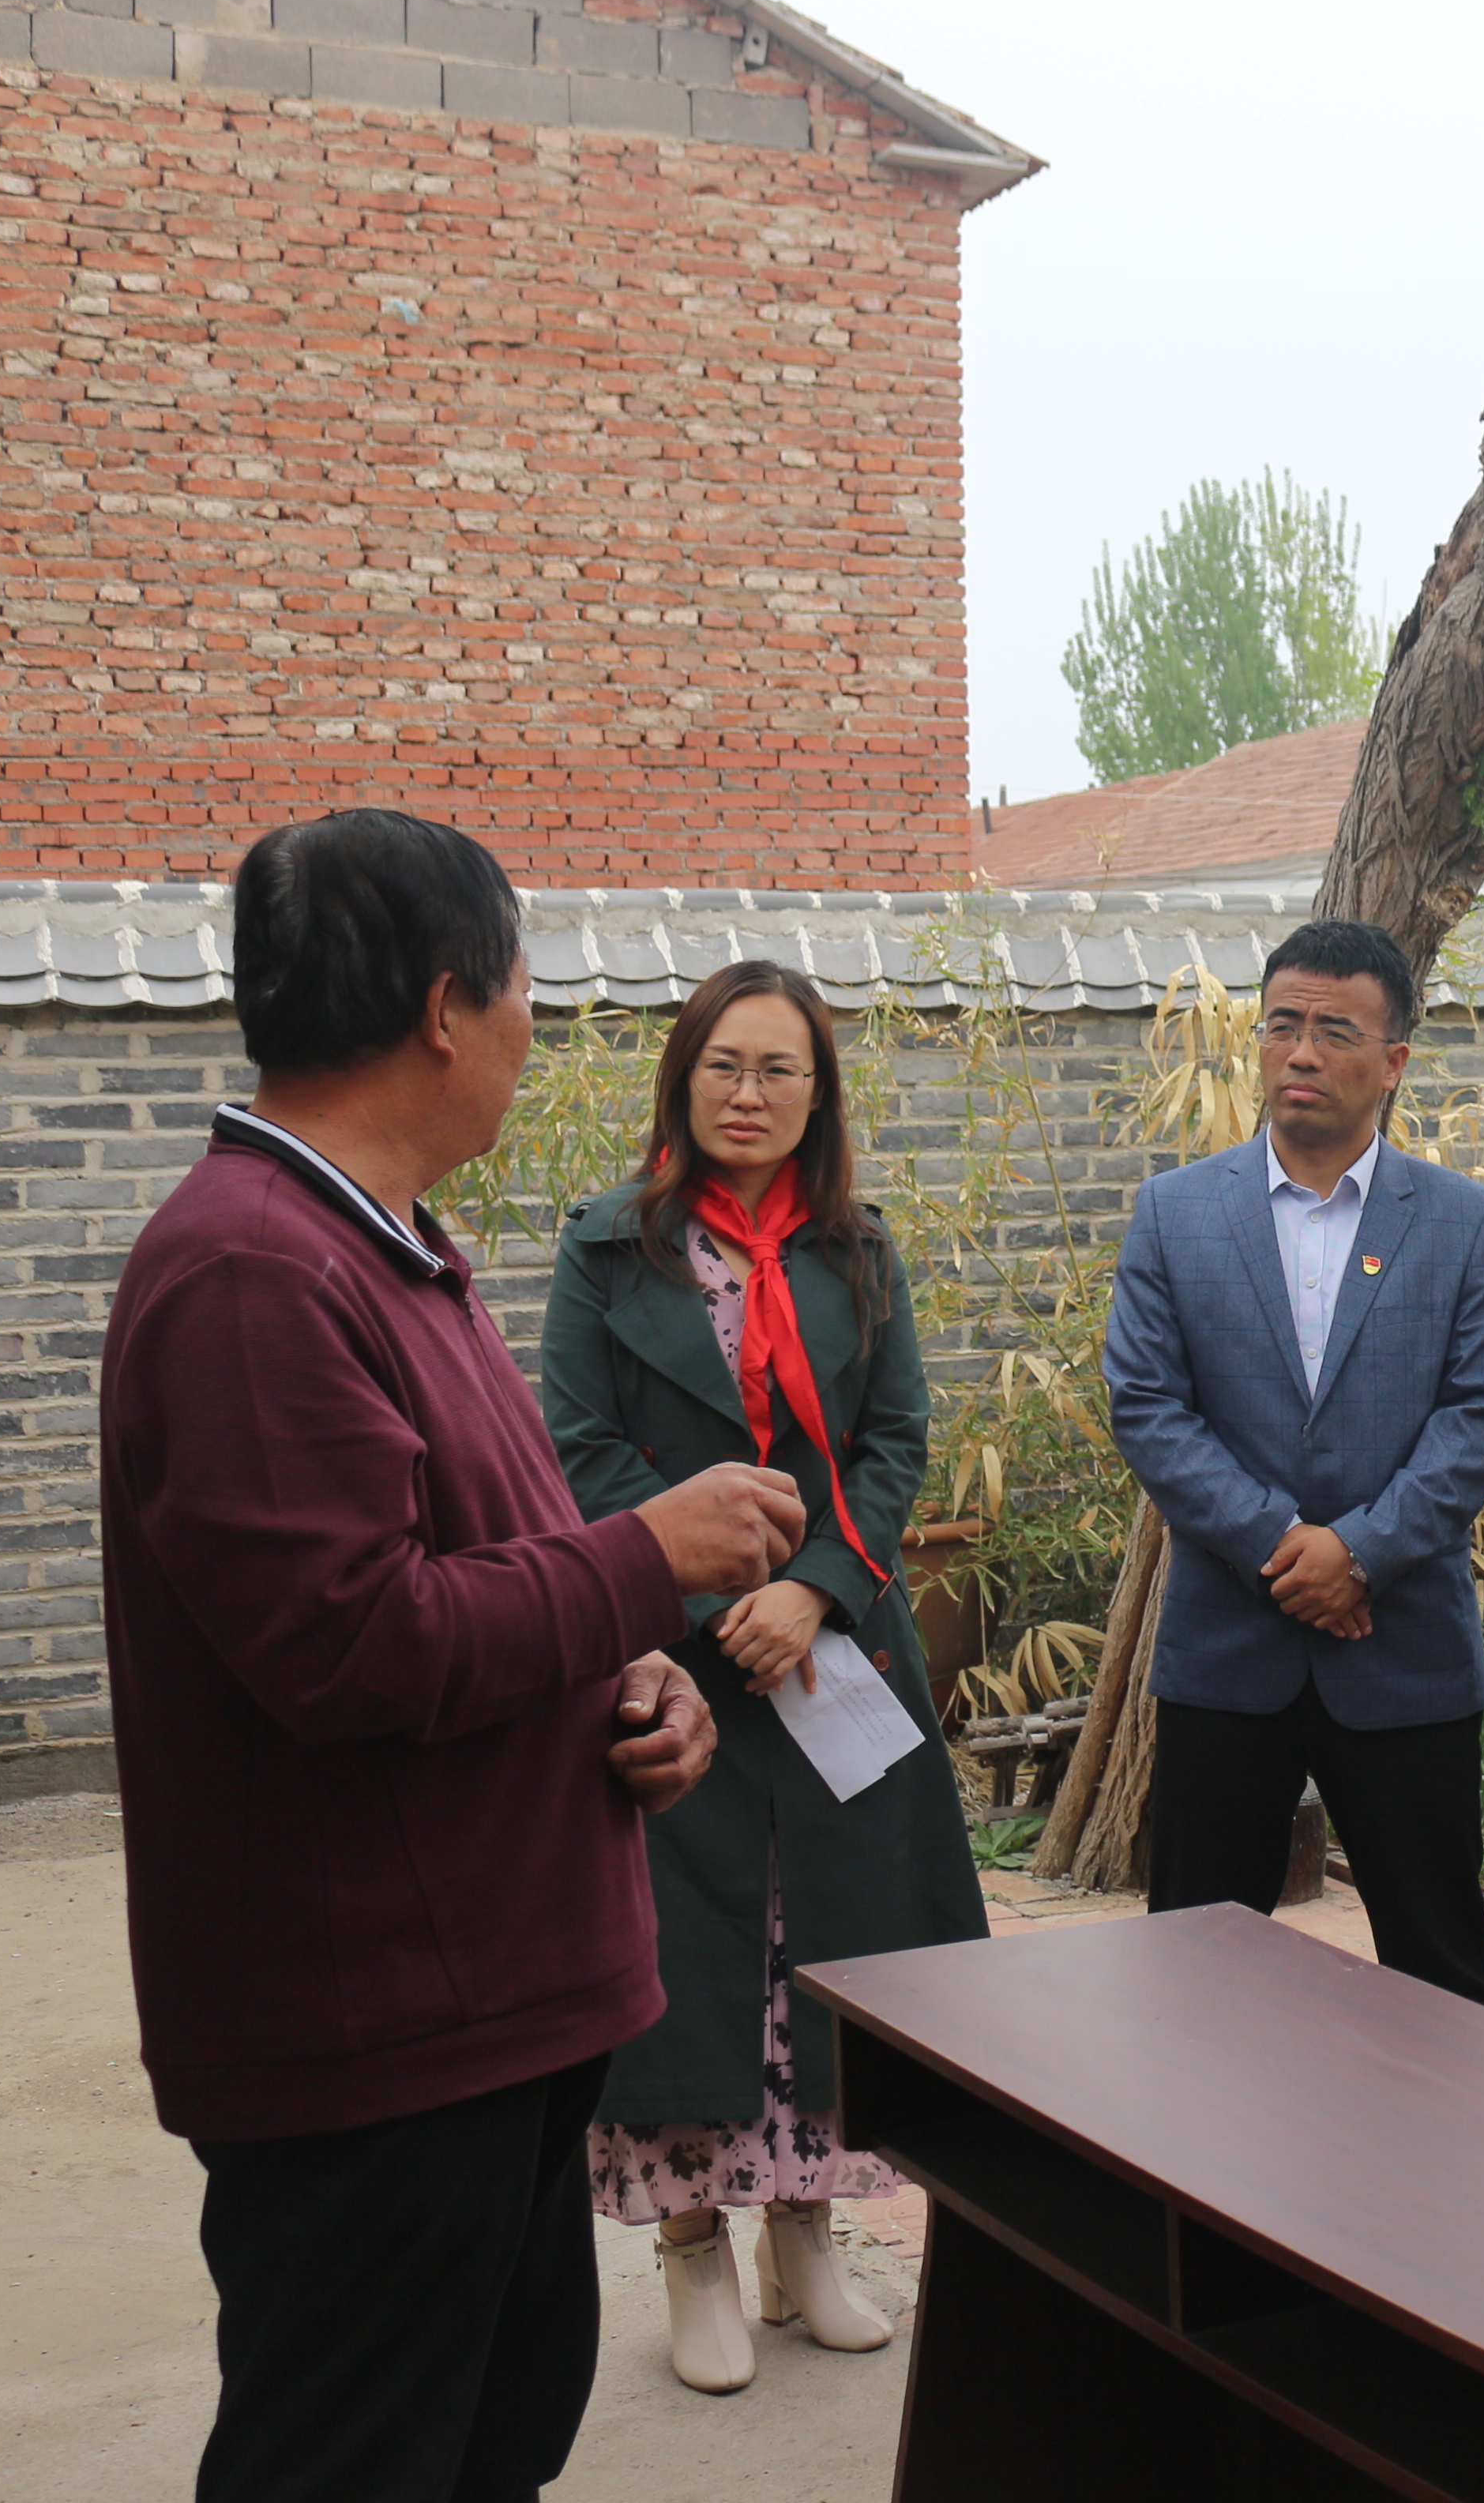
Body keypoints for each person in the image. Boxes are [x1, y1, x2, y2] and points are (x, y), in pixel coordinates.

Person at [100, 809, 795, 2503]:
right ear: (441, 1006)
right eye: (524, 985)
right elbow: (350, 1645)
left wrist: (635, 1677)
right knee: (358, 2456)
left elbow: (485, 1581)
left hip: (488, 2009)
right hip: (375, 2044)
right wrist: (651, 1557)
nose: (529, 1025)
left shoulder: (386, 1250)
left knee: (489, 2435)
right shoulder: (253, 1274)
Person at [541, 958, 990, 2396]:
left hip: (835, 1646)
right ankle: (690, 2250)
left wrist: (813, 1591)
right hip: (671, 1653)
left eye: (779, 1069)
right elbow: (581, 1447)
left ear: (818, 1093)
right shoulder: (607, 1246)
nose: (750, 1092)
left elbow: (897, 1443)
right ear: (684, 1079)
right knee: (686, 1961)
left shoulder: (858, 1248)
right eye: (725, 1065)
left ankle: (809, 2235)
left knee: (833, 1951)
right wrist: (726, 1577)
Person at [1103, 918, 1484, 2002]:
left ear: (1392, 1063)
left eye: (1334, 1031)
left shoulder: (1466, 1223)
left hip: (1403, 1649)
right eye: (1281, 1024)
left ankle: (1442, 2175)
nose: (1299, 1052)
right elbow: (1149, 1408)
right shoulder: (1177, 1214)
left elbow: (1480, 1418)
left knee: (1439, 1971)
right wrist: (1286, 1546)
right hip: (1227, 1653)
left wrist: (1361, 1554)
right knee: (1198, 1974)